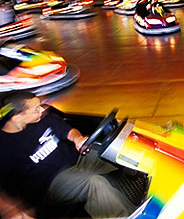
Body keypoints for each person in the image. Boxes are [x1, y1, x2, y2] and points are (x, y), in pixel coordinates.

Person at [0, 91, 136, 219]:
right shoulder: (5, 146)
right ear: (17, 117)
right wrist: (12, 210)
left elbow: (67, 130)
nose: (42, 110)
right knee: (94, 182)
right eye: (36, 109)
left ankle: (144, 187)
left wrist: (77, 139)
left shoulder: (41, 120)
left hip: (77, 159)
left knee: (119, 153)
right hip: (52, 183)